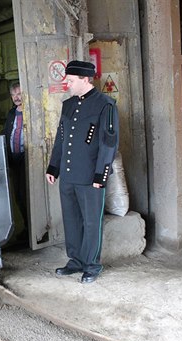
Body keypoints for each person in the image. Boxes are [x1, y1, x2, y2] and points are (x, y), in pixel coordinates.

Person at [45, 60, 119, 284]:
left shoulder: (105, 105)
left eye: (71, 80)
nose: (67, 84)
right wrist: (54, 167)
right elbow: (61, 137)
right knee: (71, 219)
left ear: (85, 80)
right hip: (68, 175)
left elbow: (109, 143)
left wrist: (101, 175)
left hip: (90, 177)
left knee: (91, 222)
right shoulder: (67, 105)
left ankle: (92, 264)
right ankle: (76, 261)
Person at [1, 82, 28, 240]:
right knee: (18, 196)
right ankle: (26, 227)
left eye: (19, 93)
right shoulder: (11, 113)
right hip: (14, 161)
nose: (17, 97)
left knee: (27, 196)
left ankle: (32, 230)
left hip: (27, 160)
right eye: (14, 95)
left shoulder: (30, 111)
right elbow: (6, 133)